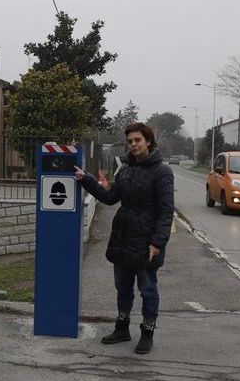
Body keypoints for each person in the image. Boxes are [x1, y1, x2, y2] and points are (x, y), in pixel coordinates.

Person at [74, 122, 174, 354]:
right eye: (130, 141)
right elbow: (110, 197)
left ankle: (147, 333)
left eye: (138, 140)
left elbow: (166, 210)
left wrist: (158, 242)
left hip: (147, 241)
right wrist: (86, 179)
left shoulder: (162, 171)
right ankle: (122, 328)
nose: (133, 145)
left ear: (148, 141)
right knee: (123, 287)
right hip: (123, 237)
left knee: (148, 289)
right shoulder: (125, 169)